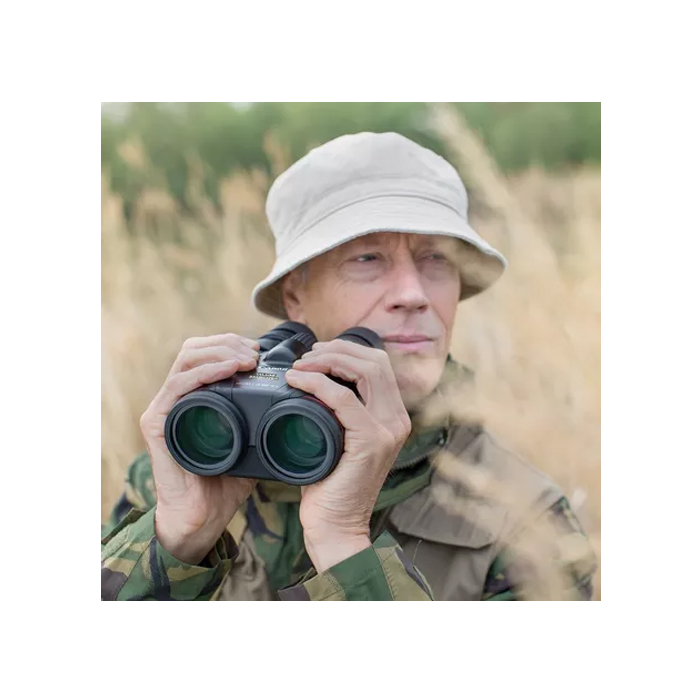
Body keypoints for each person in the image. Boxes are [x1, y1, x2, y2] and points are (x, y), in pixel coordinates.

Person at [101, 132, 597, 601]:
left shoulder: (527, 523)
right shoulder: (190, 459)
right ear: (295, 296)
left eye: (437, 259)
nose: (413, 294)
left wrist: (343, 544)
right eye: (367, 259)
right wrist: (179, 538)